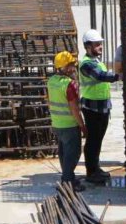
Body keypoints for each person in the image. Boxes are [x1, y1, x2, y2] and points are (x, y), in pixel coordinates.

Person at [78, 29, 121, 185]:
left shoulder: (97, 62)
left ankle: (96, 167)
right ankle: (91, 172)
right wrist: (119, 75)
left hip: (102, 106)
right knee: (93, 141)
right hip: (92, 108)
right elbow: (100, 76)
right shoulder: (86, 64)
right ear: (88, 46)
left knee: (98, 140)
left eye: (100, 44)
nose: (100, 47)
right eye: (97, 44)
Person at [47, 51, 87, 191]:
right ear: (63, 68)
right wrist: (82, 125)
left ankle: (68, 176)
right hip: (69, 125)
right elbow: (74, 108)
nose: (73, 68)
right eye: (70, 65)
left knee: (64, 152)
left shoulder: (51, 81)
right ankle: (67, 182)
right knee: (73, 153)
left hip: (57, 124)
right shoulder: (69, 85)